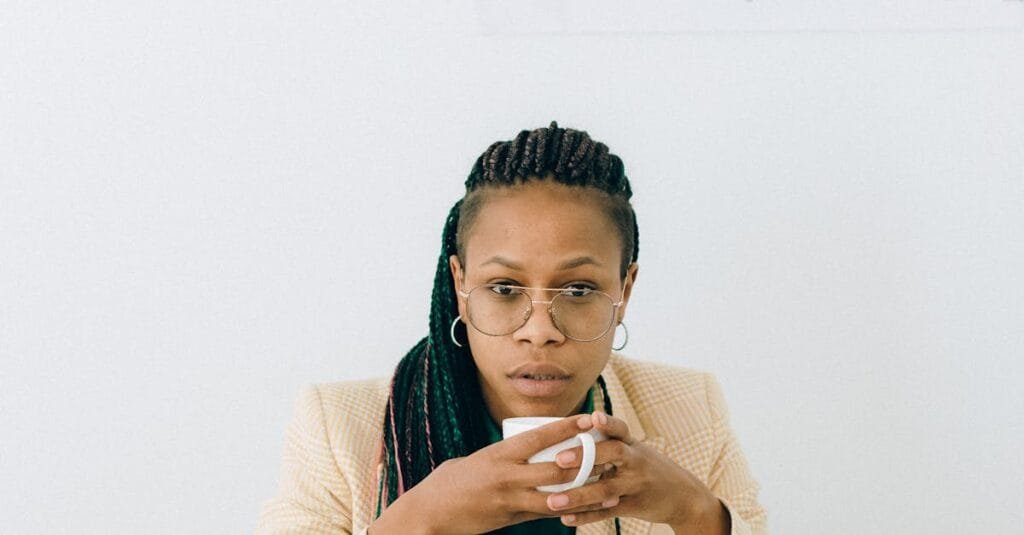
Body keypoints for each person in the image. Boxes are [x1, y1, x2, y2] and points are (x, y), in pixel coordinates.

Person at [256, 122, 767, 535]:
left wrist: (695, 513)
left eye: (578, 290)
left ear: (624, 291)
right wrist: (418, 521)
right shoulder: (338, 426)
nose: (540, 331)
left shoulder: (691, 410)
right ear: (460, 285)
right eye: (504, 288)